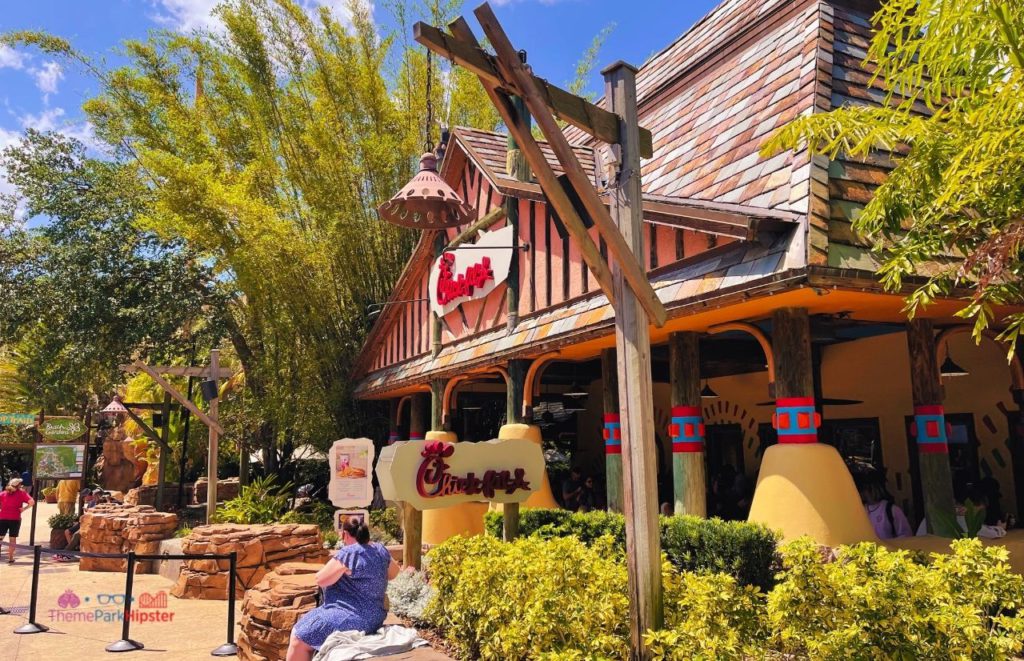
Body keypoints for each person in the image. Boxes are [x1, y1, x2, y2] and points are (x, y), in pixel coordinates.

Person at [287, 516, 401, 661]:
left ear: (344, 534)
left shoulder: (349, 554)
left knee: (299, 637)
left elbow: (321, 580)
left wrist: (342, 568)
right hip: (375, 617)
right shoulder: (379, 550)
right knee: (301, 627)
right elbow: (394, 573)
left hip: (350, 616)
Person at [0, 477, 35, 564]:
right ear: (19, 485)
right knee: (12, 539)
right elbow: (32, 502)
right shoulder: (22, 493)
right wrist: (24, 508)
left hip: (2, 518)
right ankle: (10, 558)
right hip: (15, 519)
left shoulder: (3, 493)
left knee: (0, 538)